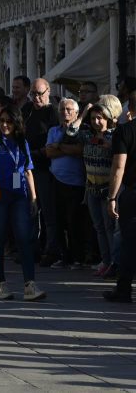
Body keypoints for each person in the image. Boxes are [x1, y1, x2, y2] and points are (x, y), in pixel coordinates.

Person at [0, 106, 46, 302]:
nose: (5, 124)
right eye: (2, 120)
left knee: (24, 239)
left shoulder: (22, 142)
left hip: (19, 195)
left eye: (9, 121)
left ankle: (30, 284)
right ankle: (0, 284)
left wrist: (34, 198)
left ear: (16, 123)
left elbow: (28, 171)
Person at [82, 96, 122, 278]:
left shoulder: (114, 136)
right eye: (93, 119)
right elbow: (72, 131)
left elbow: (121, 158)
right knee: (98, 226)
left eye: (100, 118)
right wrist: (84, 112)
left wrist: (110, 146)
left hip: (107, 188)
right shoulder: (88, 135)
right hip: (91, 187)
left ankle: (114, 262)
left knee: (109, 227)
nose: (96, 122)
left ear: (107, 119)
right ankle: (105, 261)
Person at [45, 98, 86, 268]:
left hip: (75, 182)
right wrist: (62, 148)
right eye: (62, 109)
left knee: (74, 221)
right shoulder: (54, 130)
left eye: (69, 109)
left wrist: (59, 147)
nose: (65, 112)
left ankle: (78, 257)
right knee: (59, 220)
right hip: (56, 181)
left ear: (76, 113)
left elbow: (79, 150)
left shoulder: (81, 131)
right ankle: (64, 256)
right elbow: (48, 152)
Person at [106, 86, 136, 302]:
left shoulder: (125, 131)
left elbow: (119, 167)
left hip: (132, 193)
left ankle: (124, 289)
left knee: (129, 242)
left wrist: (112, 197)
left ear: (129, 110)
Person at [25, 77, 60, 265]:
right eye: (33, 94)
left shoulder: (53, 113)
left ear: (48, 92)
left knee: (46, 210)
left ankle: (51, 249)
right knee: (27, 209)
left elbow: (54, 144)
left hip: (43, 169)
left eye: (40, 94)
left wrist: (35, 154)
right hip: (24, 170)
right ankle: (31, 248)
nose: (36, 98)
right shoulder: (27, 110)